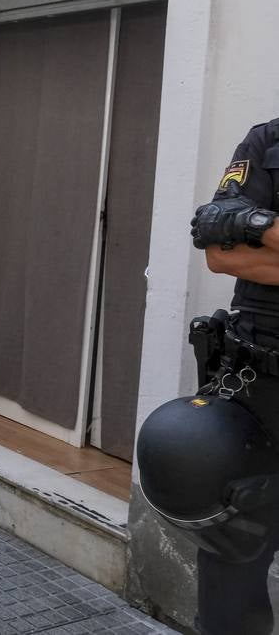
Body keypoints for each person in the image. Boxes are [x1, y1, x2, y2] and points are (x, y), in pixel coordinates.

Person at [186, 117, 279, 635]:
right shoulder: (267, 141)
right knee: (234, 547)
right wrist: (261, 229)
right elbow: (220, 252)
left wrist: (260, 233)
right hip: (257, 390)